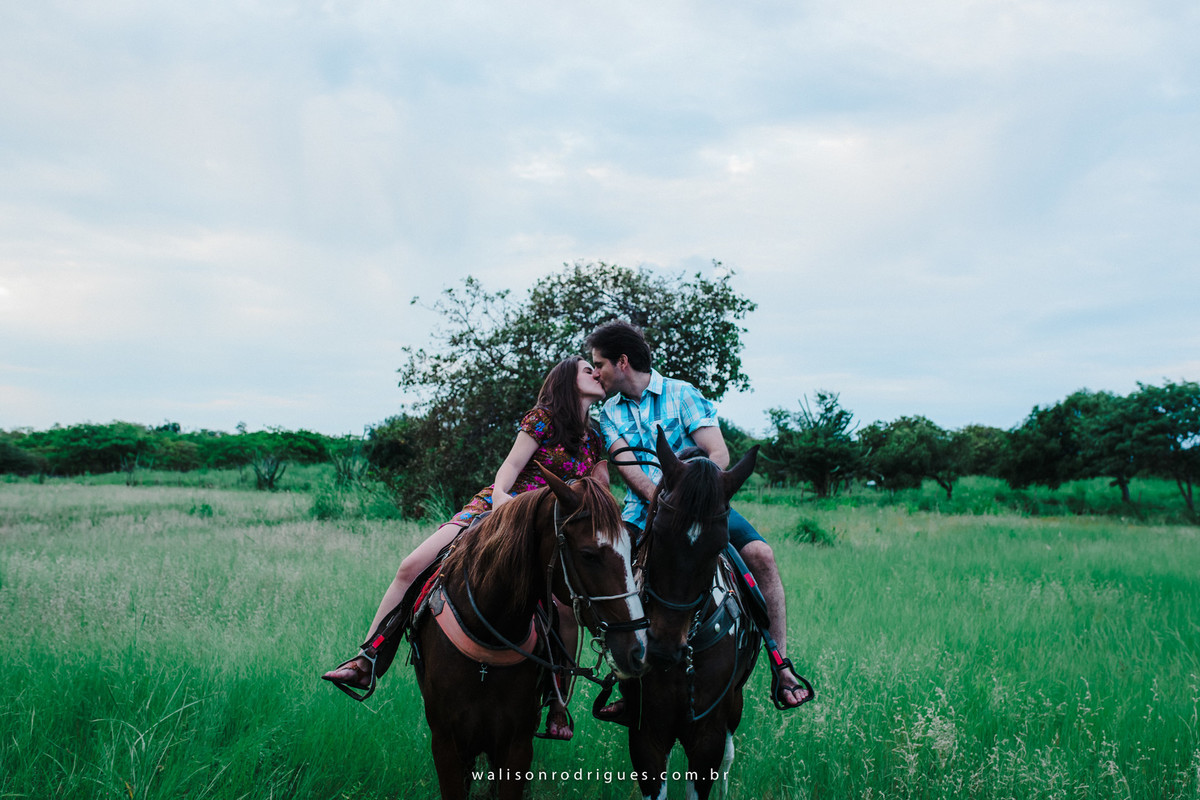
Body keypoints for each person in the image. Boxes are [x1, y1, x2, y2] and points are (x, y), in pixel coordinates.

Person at [322, 355, 608, 740]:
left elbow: (600, 490)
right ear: (566, 381)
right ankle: (369, 659)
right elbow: (506, 473)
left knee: (564, 609)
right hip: (501, 510)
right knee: (412, 566)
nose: (596, 374)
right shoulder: (541, 418)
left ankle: (558, 700)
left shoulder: (596, 436)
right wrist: (507, 506)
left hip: (550, 533)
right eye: (588, 370)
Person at [585, 320, 811, 710]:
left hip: (702, 510)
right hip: (643, 511)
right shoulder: (607, 413)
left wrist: (688, 503)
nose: (595, 372)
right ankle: (624, 679)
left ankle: (781, 665)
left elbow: (718, 454)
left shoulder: (681, 394)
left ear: (622, 362)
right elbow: (627, 467)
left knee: (761, 557)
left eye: (599, 364)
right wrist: (664, 503)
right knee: (603, 569)